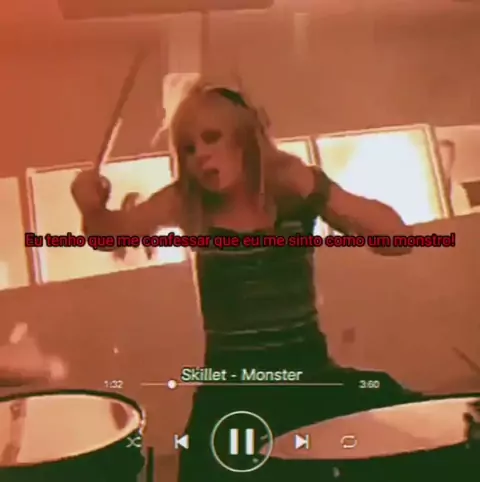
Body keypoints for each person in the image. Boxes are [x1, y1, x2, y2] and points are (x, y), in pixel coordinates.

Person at [71, 82, 419, 481]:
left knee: (410, 439)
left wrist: (315, 188)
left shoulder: (291, 190)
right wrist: (89, 204)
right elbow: (108, 235)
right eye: (188, 148)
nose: (200, 155)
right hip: (232, 388)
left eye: (212, 137)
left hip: (310, 375)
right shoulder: (187, 200)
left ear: (244, 136)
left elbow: (399, 240)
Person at [438, 139, 471, 216]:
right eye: (442, 158)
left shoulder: (458, 190)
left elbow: (465, 214)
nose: (446, 162)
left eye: (449, 157)